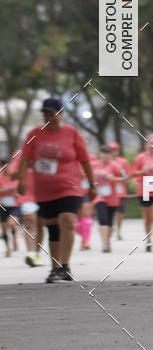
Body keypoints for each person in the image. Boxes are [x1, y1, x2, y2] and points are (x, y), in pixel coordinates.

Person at [17, 98, 96, 282]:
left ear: (61, 114)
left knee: (67, 219)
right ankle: (56, 269)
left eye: (52, 114)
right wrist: (21, 181)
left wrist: (92, 185)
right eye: (45, 114)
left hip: (70, 187)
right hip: (44, 190)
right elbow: (24, 159)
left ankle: (65, 265)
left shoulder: (73, 134)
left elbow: (85, 161)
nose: (48, 117)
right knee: (53, 228)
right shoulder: (34, 134)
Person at [9, 150, 44, 266]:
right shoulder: (19, 154)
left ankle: (37, 254)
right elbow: (12, 175)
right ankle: (31, 254)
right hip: (26, 196)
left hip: (45, 195)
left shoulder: (44, 152)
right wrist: (24, 165)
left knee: (39, 226)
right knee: (30, 223)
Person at [93, 145, 122, 252]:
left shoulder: (115, 166)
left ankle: (107, 241)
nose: (105, 155)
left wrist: (113, 178)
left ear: (111, 155)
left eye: (107, 153)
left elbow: (124, 178)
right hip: (99, 196)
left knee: (109, 222)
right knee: (102, 219)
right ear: (100, 154)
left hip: (112, 197)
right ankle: (104, 244)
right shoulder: (94, 165)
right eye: (103, 153)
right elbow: (87, 177)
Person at [109, 141, 129, 240]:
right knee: (111, 210)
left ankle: (119, 230)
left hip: (121, 189)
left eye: (115, 150)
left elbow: (126, 176)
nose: (114, 152)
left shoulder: (123, 161)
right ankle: (111, 227)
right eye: (112, 150)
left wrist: (123, 175)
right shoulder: (106, 161)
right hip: (109, 190)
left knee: (120, 211)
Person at [0, 162, 20, 257]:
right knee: (4, 228)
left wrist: (16, 193)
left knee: (11, 224)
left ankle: (14, 237)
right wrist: (3, 190)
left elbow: (21, 190)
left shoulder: (15, 176)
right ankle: (8, 248)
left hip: (14, 205)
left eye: (6, 165)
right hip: (2, 206)